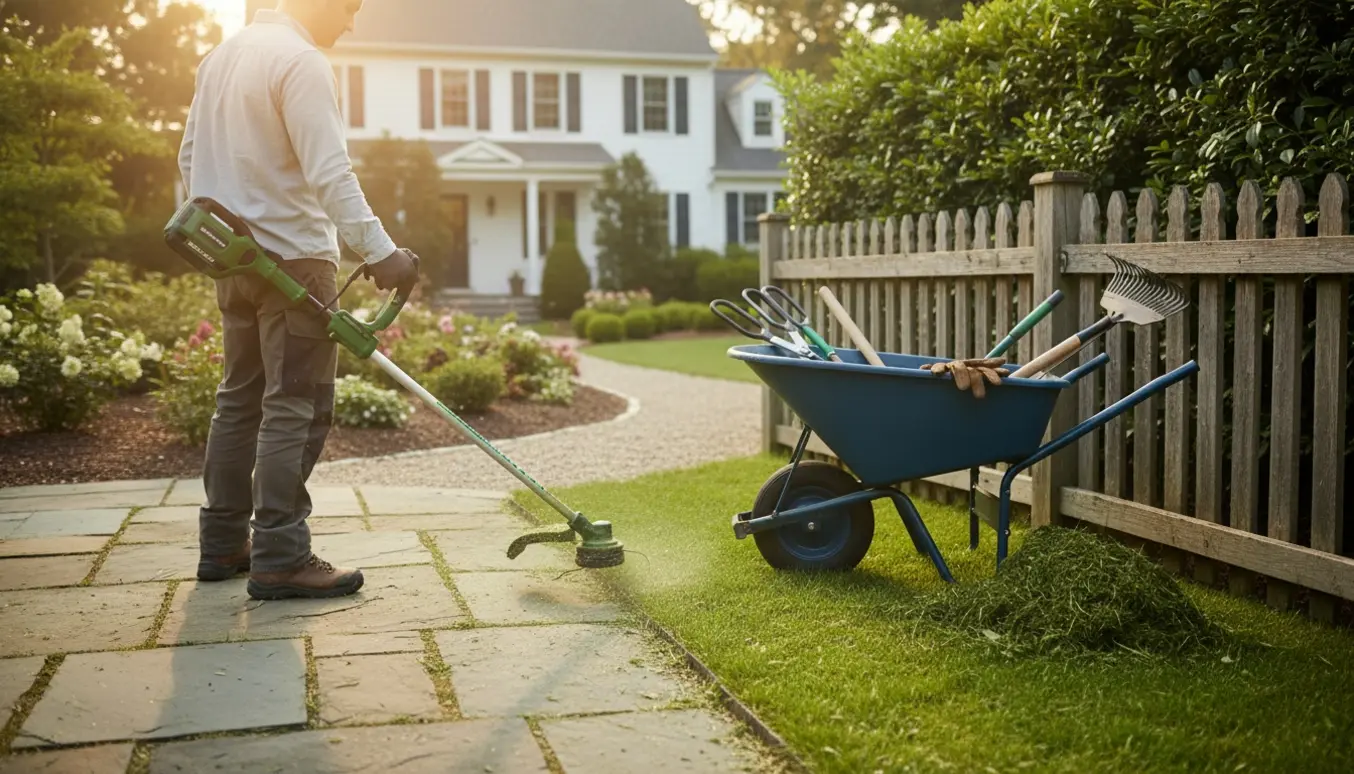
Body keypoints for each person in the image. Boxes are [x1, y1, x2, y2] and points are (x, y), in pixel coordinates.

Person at [177, 0, 417, 600]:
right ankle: (281, 554)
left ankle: (224, 542)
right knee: (295, 406)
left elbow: (188, 158)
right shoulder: (299, 60)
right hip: (296, 263)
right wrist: (382, 252)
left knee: (238, 403)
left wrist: (227, 226)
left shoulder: (219, 59)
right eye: (350, 8)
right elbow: (330, 172)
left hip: (232, 258)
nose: (351, 22)